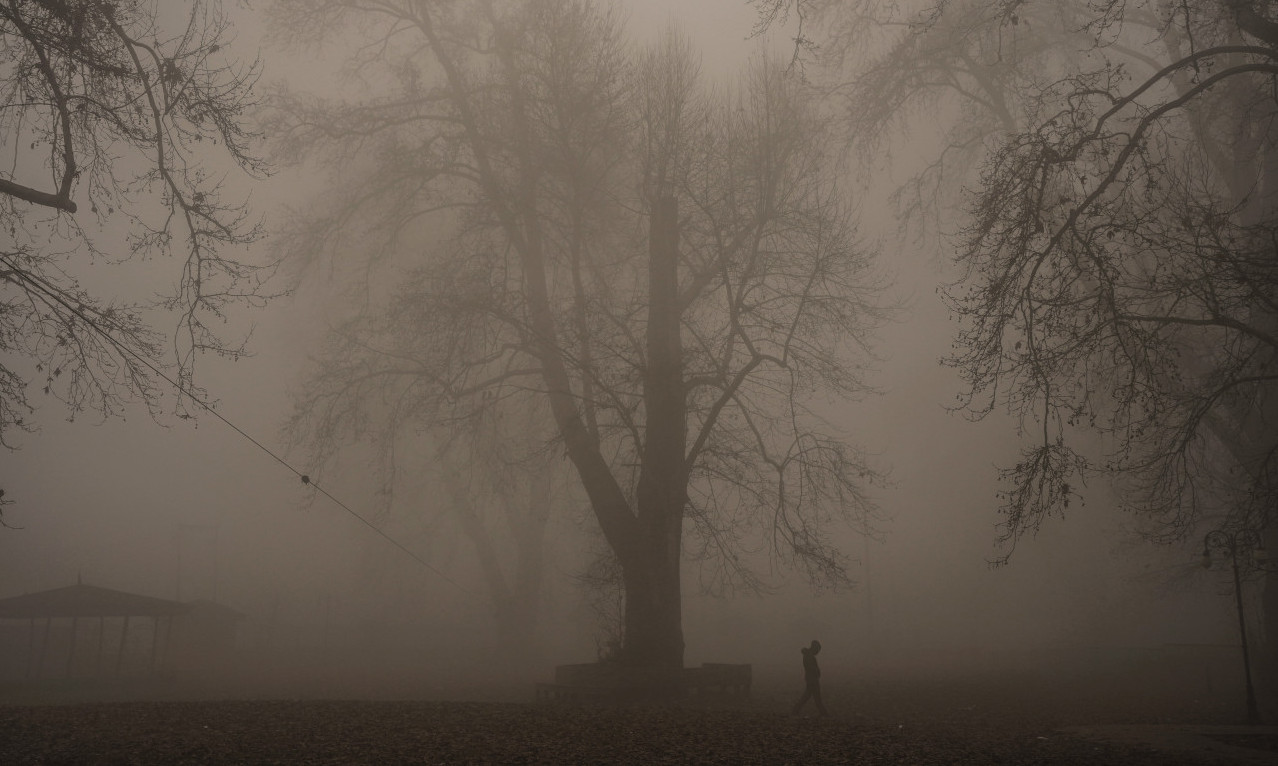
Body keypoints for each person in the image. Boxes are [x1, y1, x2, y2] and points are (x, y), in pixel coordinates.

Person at [792, 639, 827, 716]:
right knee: (815, 698)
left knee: (808, 696)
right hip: (812, 679)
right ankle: (824, 713)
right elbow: (811, 668)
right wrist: (817, 672)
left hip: (810, 679)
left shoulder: (808, 655)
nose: (818, 652)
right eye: (818, 650)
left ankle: (795, 710)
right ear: (814, 648)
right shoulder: (809, 656)